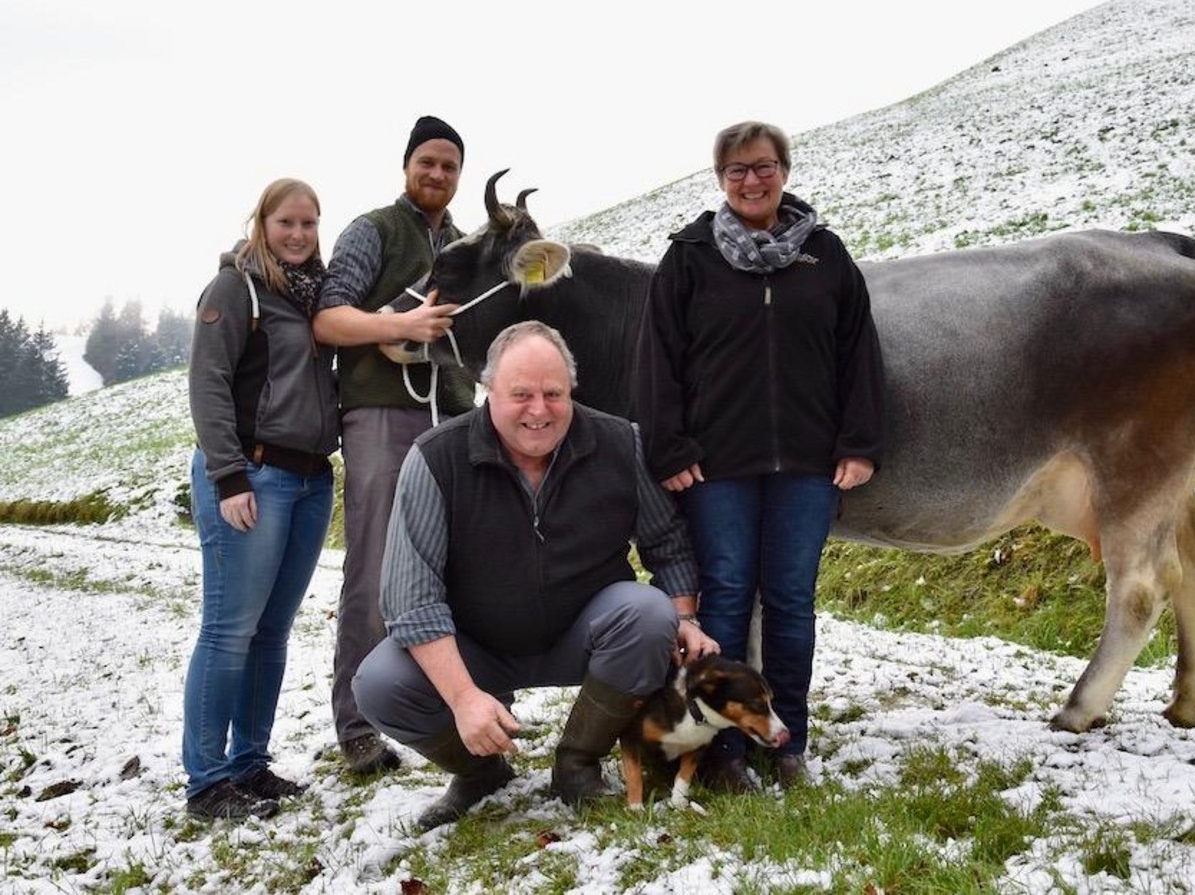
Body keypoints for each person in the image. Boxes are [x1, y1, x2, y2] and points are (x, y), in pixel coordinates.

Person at [353, 321, 718, 832]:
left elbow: (666, 541)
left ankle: (577, 763)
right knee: (380, 682)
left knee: (648, 612)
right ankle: (479, 771)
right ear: (488, 390)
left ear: (573, 391)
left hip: (584, 636)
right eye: (521, 394)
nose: (539, 410)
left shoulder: (621, 443)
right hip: (476, 646)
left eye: (554, 394)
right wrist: (463, 697)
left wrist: (685, 615)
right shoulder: (436, 459)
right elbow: (411, 600)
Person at [633, 120, 886, 792]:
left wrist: (859, 443)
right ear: (721, 179)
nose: (752, 179)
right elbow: (657, 360)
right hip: (717, 468)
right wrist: (670, 447)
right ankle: (723, 751)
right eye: (738, 170)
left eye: (764, 166)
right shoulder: (688, 257)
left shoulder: (826, 255)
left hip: (806, 463)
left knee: (791, 602)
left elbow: (858, 354)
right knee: (724, 599)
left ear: (785, 171)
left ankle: (789, 742)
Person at [312, 116, 478, 775]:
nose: (437, 174)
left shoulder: (467, 244)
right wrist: (397, 324)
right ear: (408, 164)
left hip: (454, 418)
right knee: (375, 566)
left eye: (449, 165)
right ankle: (357, 727)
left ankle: (448, 714)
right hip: (381, 413)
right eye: (428, 162)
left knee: (454, 571)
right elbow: (327, 317)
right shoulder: (371, 230)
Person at [184, 178, 339, 820]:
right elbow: (209, 383)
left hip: (310, 480)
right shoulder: (236, 288)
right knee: (229, 630)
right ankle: (207, 781)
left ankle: (251, 762)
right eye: (286, 222)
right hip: (252, 475)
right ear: (262, 223)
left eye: (309, 223)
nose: (298, 234)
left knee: (271, 632)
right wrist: (228, 477)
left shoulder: (315, 297)